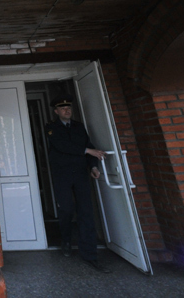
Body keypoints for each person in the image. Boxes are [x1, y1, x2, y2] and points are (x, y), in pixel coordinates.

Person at [46, 93, 111, 273]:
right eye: (63, 108)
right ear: (56, 111)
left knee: (86, 212)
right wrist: (88, 151)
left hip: (80, 174)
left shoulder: (79, 127)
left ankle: (90, 254)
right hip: (63, 175)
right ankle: (66, 240)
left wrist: (93, 167)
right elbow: (62, 146)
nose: (67, 111)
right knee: (66, 209)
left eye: (69, 108)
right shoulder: (51, 128)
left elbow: (89, 146)